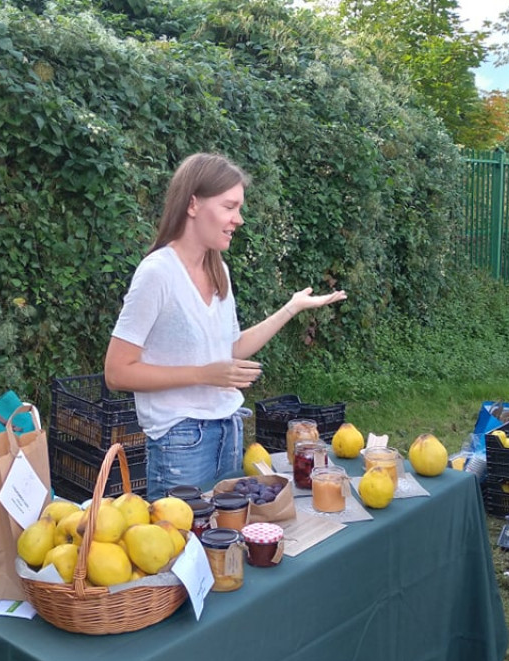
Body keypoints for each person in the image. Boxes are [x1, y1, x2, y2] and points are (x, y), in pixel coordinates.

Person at [104, 153, 346, 500]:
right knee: (182, 548)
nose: (239, 219)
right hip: (181, 442)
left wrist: (290, 308)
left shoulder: (220, 271)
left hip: (229, 431)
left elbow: (229, 350)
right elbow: (116, 372)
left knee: (225, 544)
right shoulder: (158, 273)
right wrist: (204, 374)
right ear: (192, 205)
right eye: (230, 207)